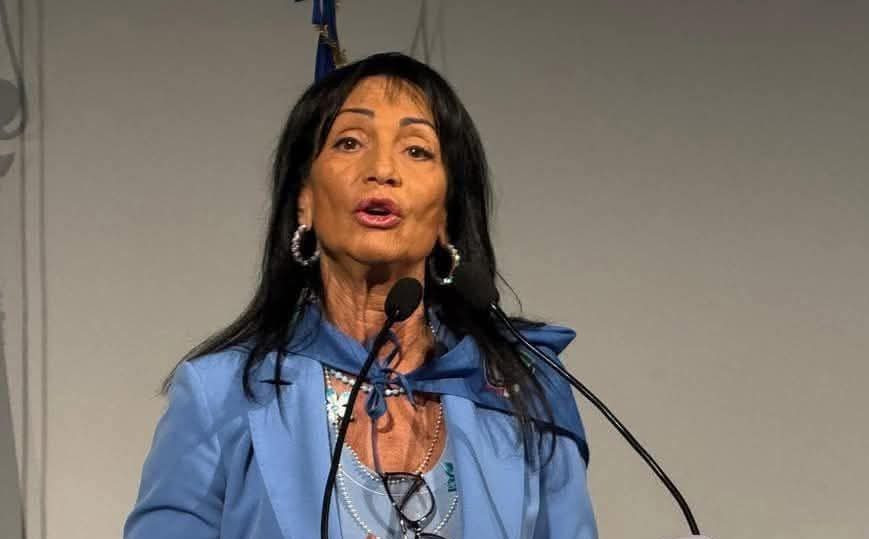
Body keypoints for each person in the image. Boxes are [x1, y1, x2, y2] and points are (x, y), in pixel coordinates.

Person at [123, 52, 596, 539]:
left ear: (446, 215)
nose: (382, 169)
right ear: (305, 200)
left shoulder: (524, 391)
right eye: (349, 142)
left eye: (417, 150)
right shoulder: (221, 394)